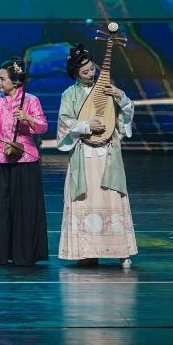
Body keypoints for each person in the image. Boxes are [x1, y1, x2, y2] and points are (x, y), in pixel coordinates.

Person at [57, 44, 137, 267]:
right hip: (84, 156)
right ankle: (86, 251)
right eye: (85, 71)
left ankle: (121, 250)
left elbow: (123, 117)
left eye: (92, 69)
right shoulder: (69, 94)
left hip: (107, 155)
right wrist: (86, 125)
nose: (91, 74)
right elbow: (64, 123)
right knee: (85, 202)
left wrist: (122, 97)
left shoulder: (107, 89)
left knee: (112, 199)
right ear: (75, 73)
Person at [0, 58, 49, 266]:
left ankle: (24, 254)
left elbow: (43, 126)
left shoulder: (31, 100)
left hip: (25, 159)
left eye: (2, 79)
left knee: (24, 209)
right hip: (0, 158)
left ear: (15, 81)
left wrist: (28, 118)